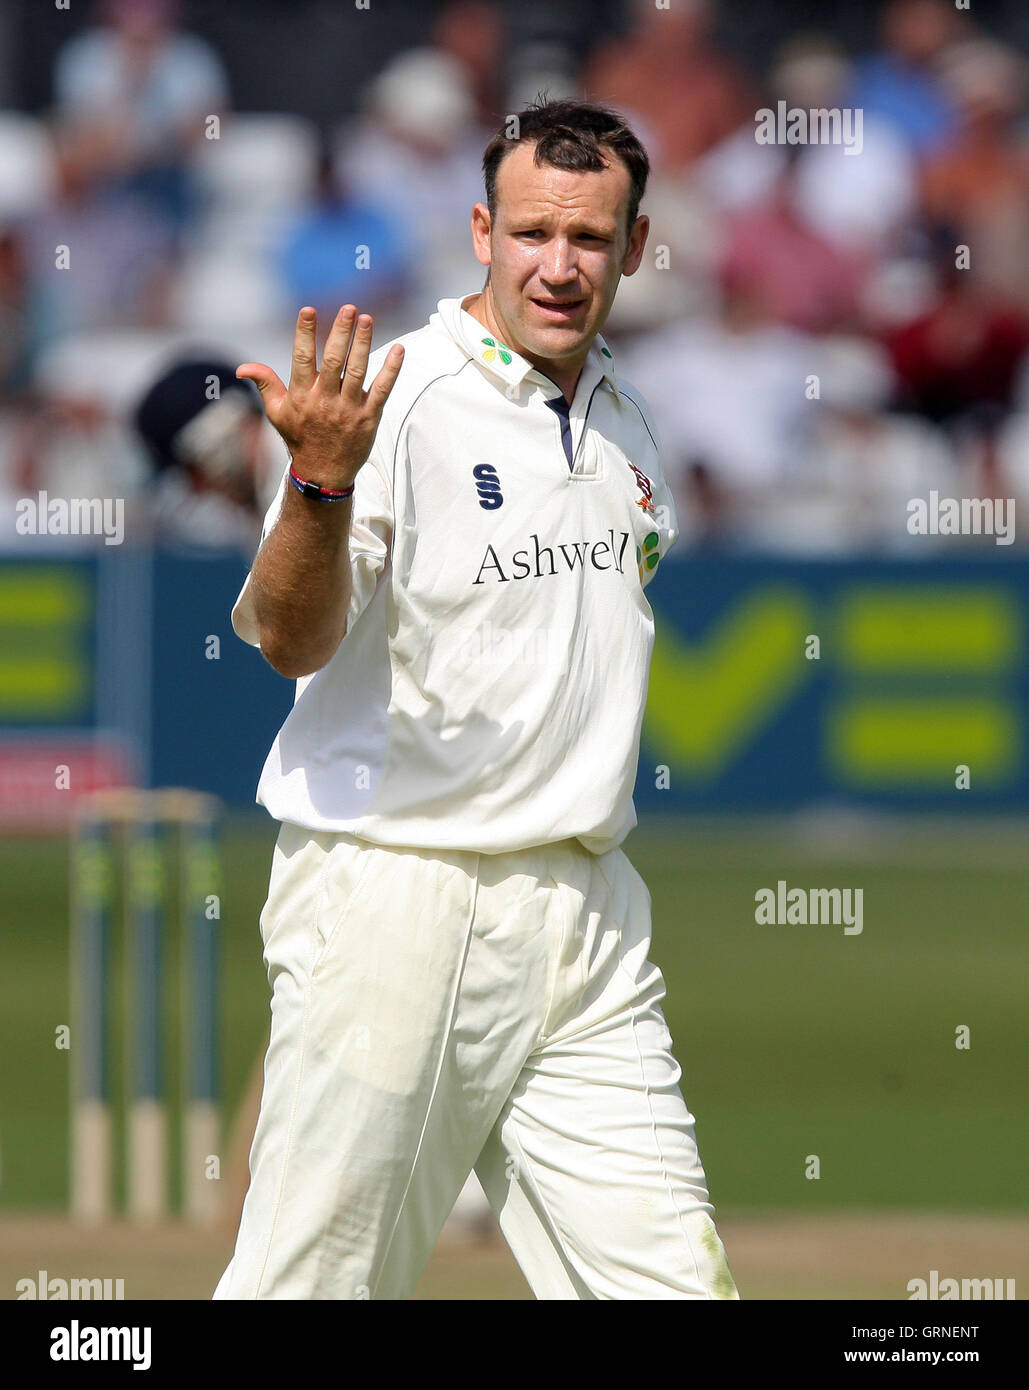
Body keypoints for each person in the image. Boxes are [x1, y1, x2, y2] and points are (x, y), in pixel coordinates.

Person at [213, 98, 738, 1301]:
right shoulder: (392, 399)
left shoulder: (627, 416)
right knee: (312, 1287)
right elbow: (291, 642)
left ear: (637, 248)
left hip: (590, 914)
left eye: (591, 240)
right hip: (401, 892)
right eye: (533, 233)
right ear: (481, 231)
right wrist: (317, 481)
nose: (560, 266)